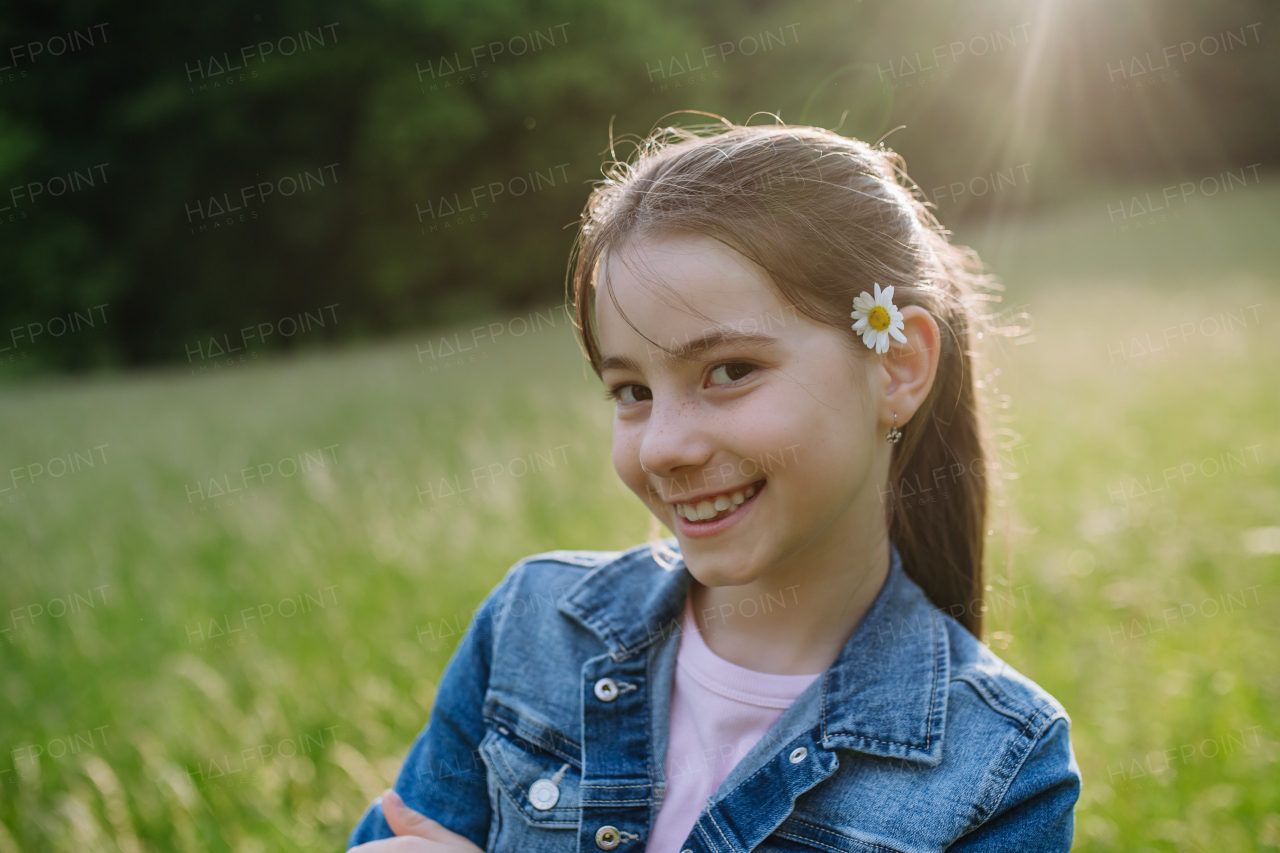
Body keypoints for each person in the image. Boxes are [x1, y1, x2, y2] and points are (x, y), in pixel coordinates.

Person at [348, 120, 1080, 853]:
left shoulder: (1004, 765)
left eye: (729, 371)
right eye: (631, 390)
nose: (664, 445)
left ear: (896, 365)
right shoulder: (530, 628)